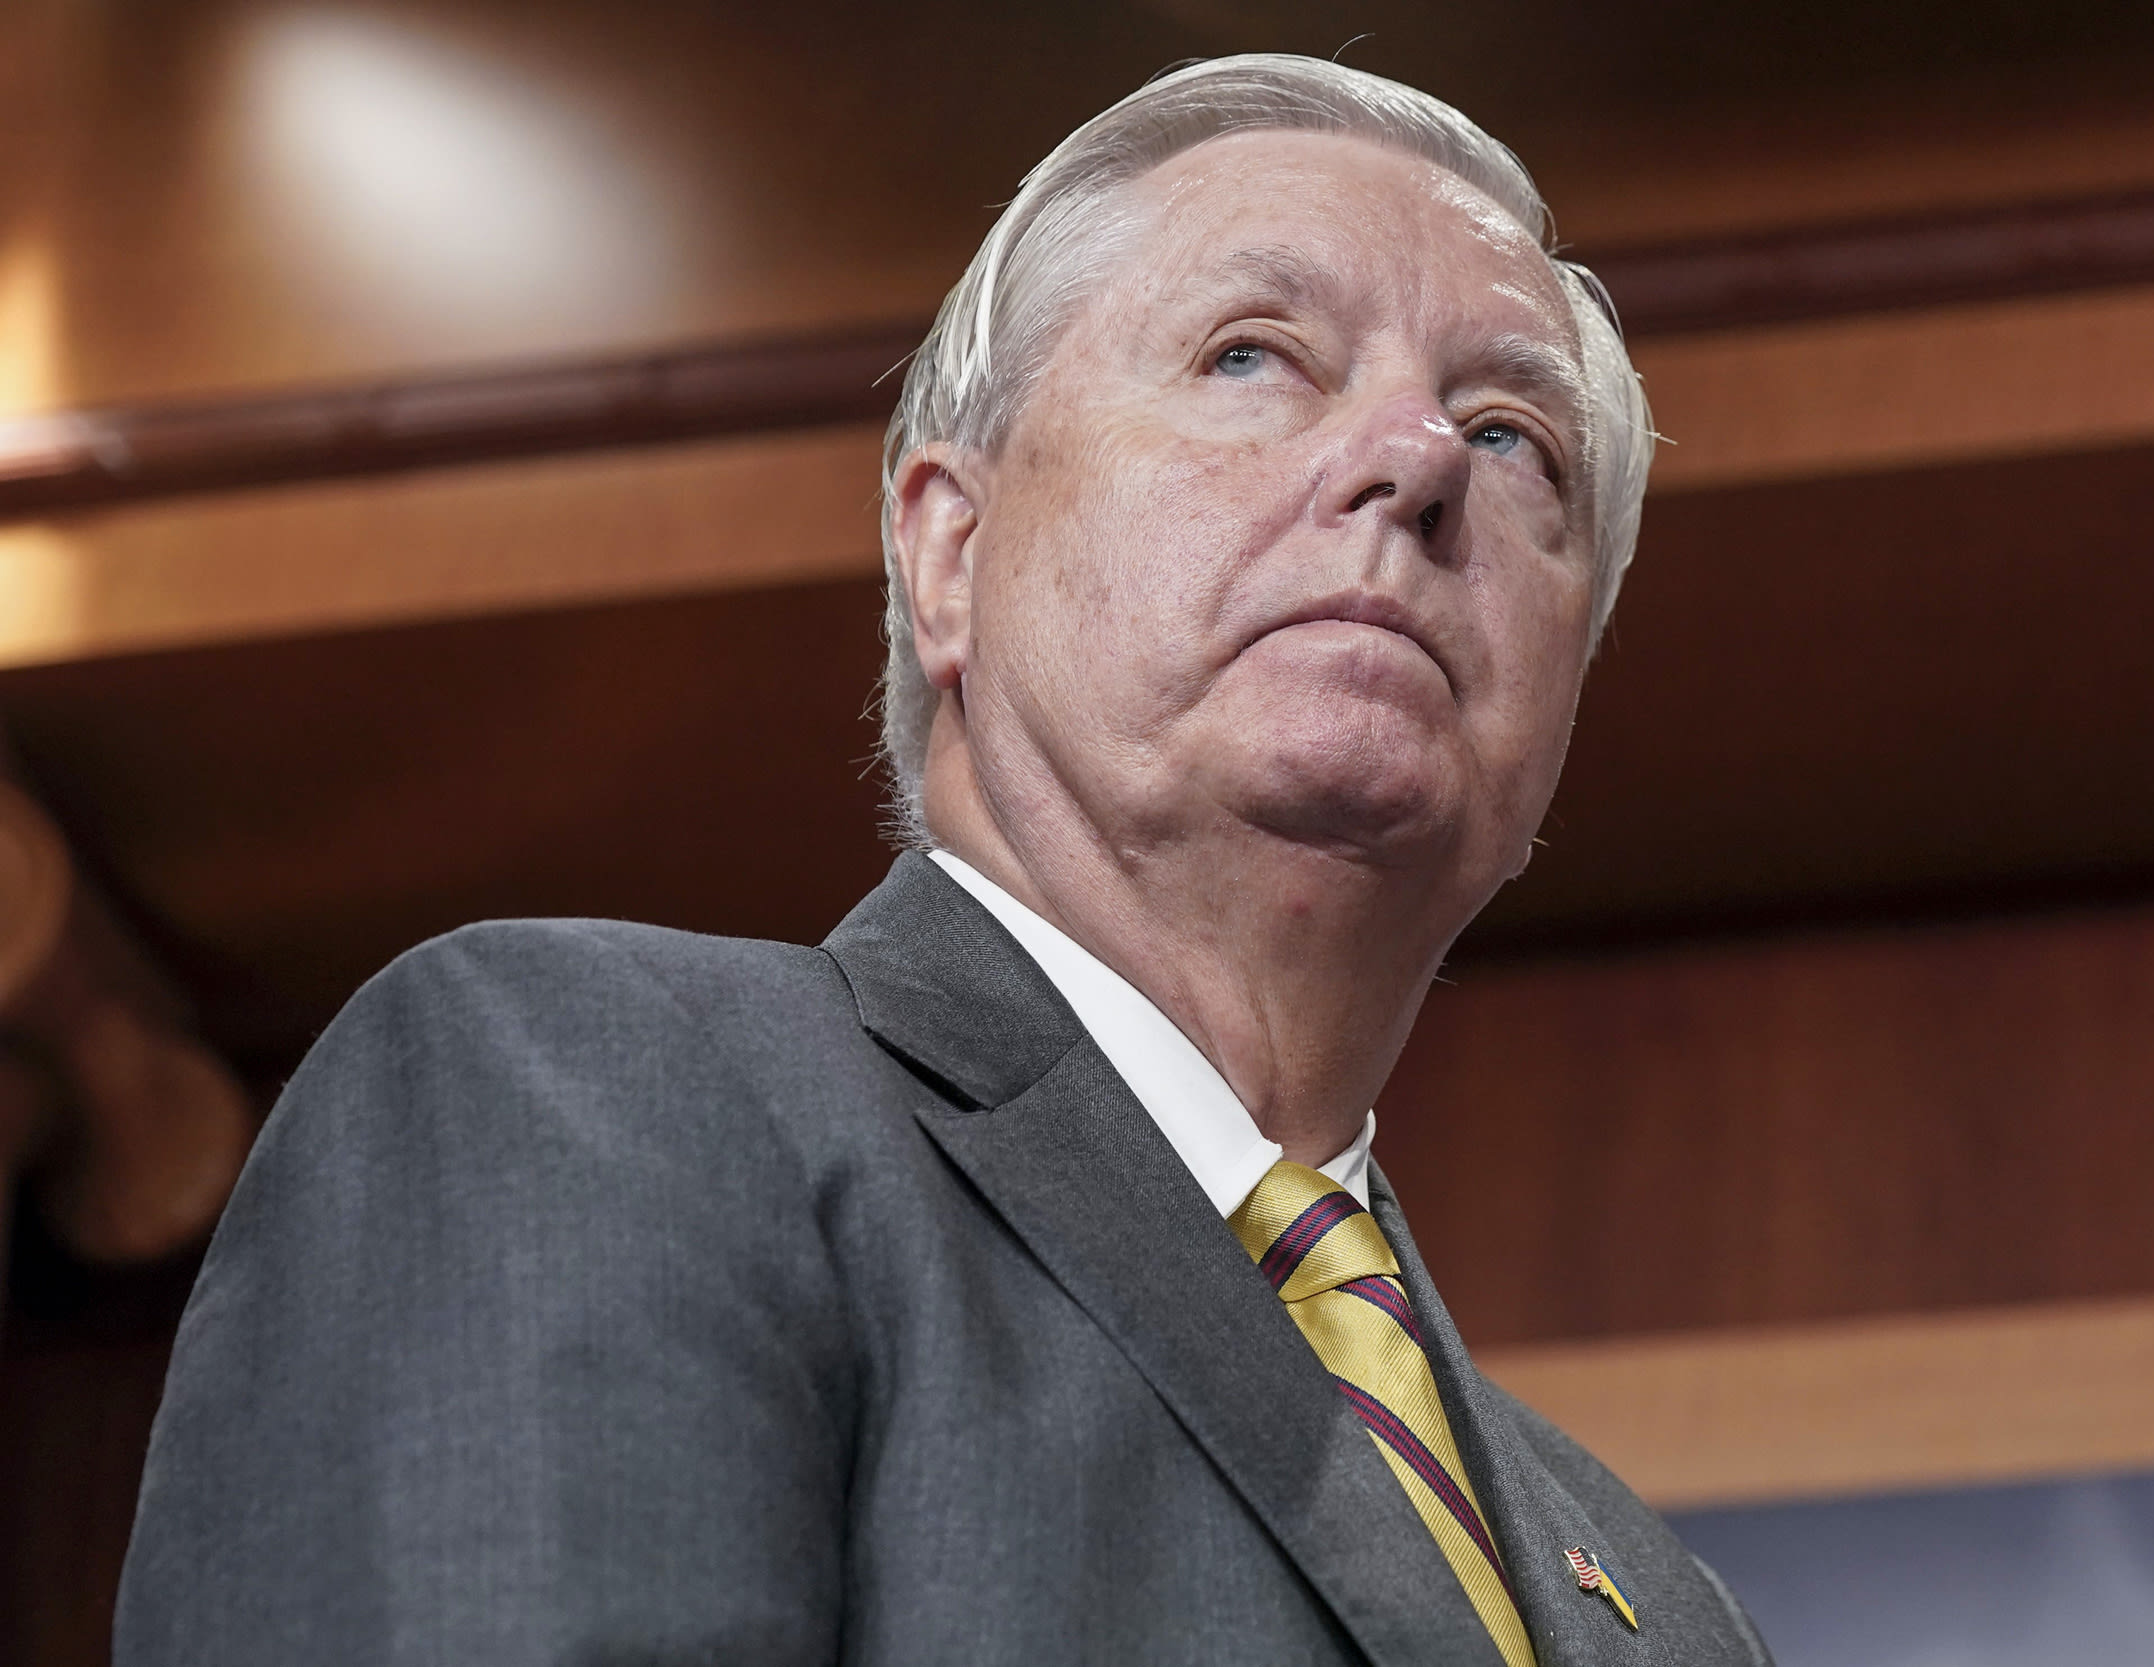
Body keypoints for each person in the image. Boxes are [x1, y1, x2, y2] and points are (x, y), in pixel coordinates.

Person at [116, 55, 1771, 1667]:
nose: (1415, 462)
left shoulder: (1659, 1606)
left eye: (1510, 441)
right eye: (1256, 357)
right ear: (949, 552)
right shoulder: (591, 1102)